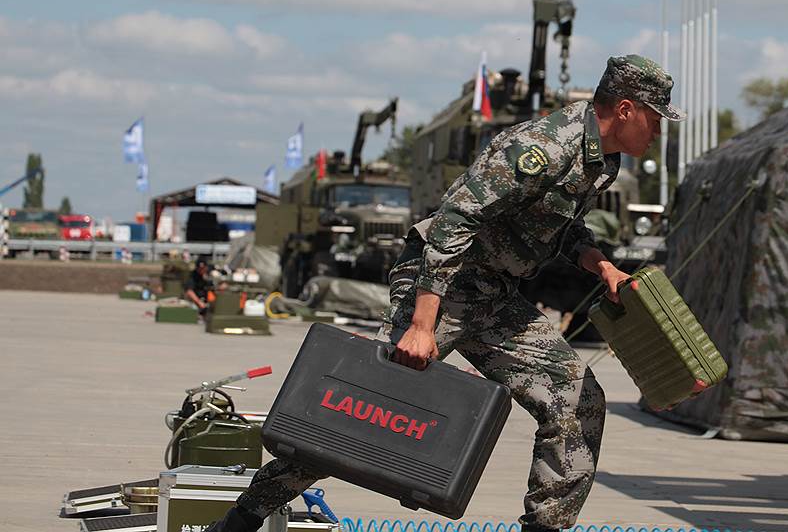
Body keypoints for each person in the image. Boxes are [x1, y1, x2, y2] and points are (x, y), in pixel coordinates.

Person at [203, 54, 684, 532]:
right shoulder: (544, 147)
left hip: (493, 293)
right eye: (655, 119)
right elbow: (455, 221)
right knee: (362, 407)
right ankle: (243, 518)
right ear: (625, 110)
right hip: (440, 286)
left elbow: (562, 227)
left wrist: (604, 268)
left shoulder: (602, 161)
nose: (658, 133)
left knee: (577, 400)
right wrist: (420, 325)